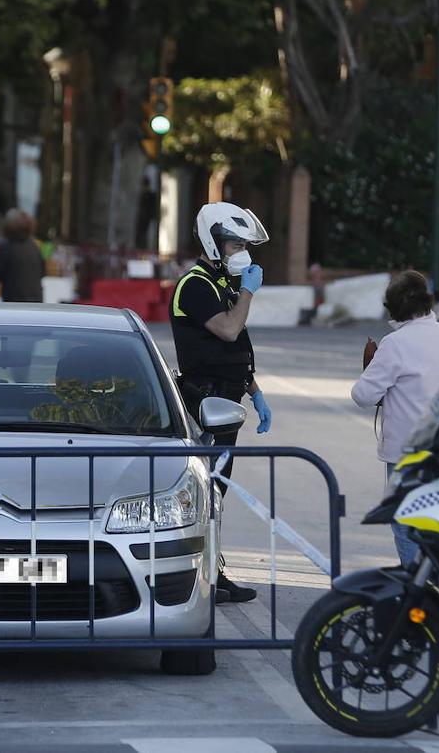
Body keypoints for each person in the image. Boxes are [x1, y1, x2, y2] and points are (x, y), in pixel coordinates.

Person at [169, 201, 273, 604]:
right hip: (206, 399)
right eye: (235, 245)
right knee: (206, 492)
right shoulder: (195, 285)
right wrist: (247, 292)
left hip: (227, 397)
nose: (242, 253)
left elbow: (234, 349)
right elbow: (229, 330)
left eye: (245, 246)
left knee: (217, 492)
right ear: (214, 244)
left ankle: (212, 571)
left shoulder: (221, 284)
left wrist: (255, 390)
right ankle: (202, 575)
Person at [350, 271, 439, 565]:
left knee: (405, 523)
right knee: (436, 524)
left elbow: (363, 395)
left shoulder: (395, 343)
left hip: (407, 452)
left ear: (393, 307)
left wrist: (371, 367)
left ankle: (417, 585)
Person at [0, 209, 45, 302]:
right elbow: (43, 272)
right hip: (36, 302)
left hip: (14, 302)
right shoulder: (34, 247)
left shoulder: (6, 248)